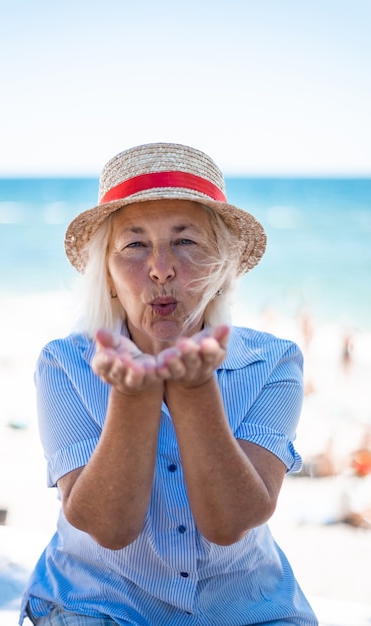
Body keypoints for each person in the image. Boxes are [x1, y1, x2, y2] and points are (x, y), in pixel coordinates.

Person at [20, 142, 318, 625]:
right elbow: (108, 528)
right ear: (109, 276)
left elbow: (231, 522)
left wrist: (195, 392)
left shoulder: (273, 362)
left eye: (186, 242)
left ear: (222, 269)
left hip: (247, 609)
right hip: (97, 604)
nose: (160, 267)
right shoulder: (64, 365)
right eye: (135, 245)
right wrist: (133, 398)